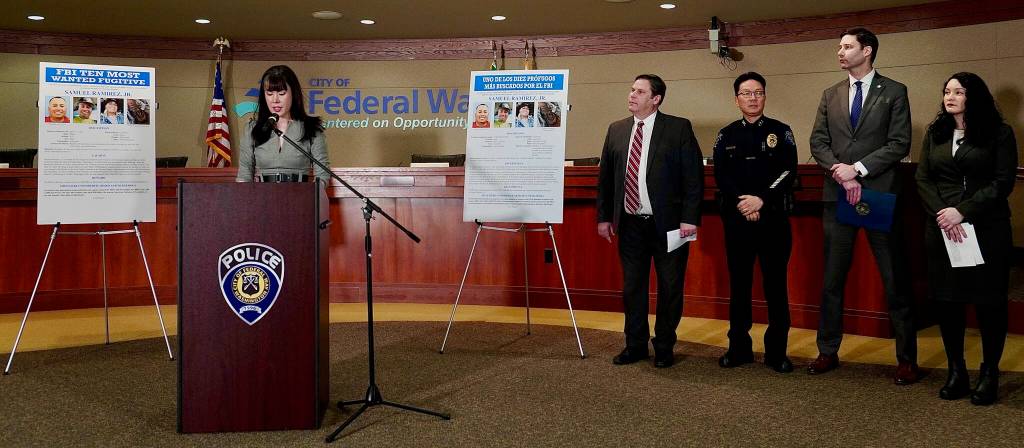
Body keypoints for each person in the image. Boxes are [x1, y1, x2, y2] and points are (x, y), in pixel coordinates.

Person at [808, 27, 918, 384]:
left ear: (867, 51)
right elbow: (818, 141)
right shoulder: (830, 94)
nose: (840, 52)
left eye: (847, 46)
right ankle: (827, 351)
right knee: (832, 279)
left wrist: (857, 169)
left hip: (877, 193)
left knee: (894, 279)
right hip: (837, 192)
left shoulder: (895, 91)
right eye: (839, 46)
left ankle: (906, 359)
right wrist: (842, 173)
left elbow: (899, 143)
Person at [915, 72, 1018, 405]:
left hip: (986, 228)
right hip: (943, 229)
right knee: (948, 302)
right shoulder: (936, 133)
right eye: (946, 91)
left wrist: (963, 211)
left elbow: (1002, 182)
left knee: (989, 303)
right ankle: (956, 371)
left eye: (958, 91)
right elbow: (923, 178)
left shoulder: (999, 133)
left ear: (975, 97)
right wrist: (944, 213)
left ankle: (989, 373)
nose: (950, 96)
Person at [596, 74, 703, 368]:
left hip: (670, 226)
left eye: (640, 91)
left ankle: (665, 345)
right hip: (630, 224)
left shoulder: (678, 128)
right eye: (631, 89)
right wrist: (604, 218)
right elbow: (605, 179)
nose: (632, 95)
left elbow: (693, 178)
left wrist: (690, 219)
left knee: (670, 287)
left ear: (655, 99)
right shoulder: (616, 130)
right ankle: (635, 345)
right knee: (633, 288)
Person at [713, 72, 798, 373]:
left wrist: (761, 199)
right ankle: (738, 349)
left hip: (773, 220)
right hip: (738, 221)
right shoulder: (726, 135)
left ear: (764, 96)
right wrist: (743, 202)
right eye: (746, 93)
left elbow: (788, 171)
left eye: (758, 92)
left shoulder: (781, 131)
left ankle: (777, 353)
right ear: (736, 99)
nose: (752, 98)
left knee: (776, 287)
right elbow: (721, 175)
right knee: (739, 286)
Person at [236, 65, 331, 184]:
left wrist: (311, 195)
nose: (275, 100)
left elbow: (322, 175)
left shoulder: (311, 127)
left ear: (293, 94)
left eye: (281, 93)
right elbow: (244, 175)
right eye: (269, 94)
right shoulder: (252, 128)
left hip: (300, 196)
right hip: (262, 197)